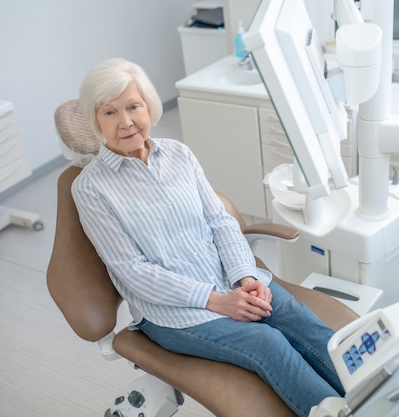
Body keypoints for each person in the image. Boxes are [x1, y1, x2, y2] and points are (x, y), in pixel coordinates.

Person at [72, 57, 345, 417]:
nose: (125, 122)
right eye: (109, 113)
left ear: (148, 106)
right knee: (268, 343)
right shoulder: (91, 189)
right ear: (96, 121)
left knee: (299, 320)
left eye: (133, 106)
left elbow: (220, 222)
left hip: (228, 279)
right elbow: (133, 272)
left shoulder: (179, 155)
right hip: (175, 312)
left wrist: (245, 278)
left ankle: (378, 391)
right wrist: (217, 301)